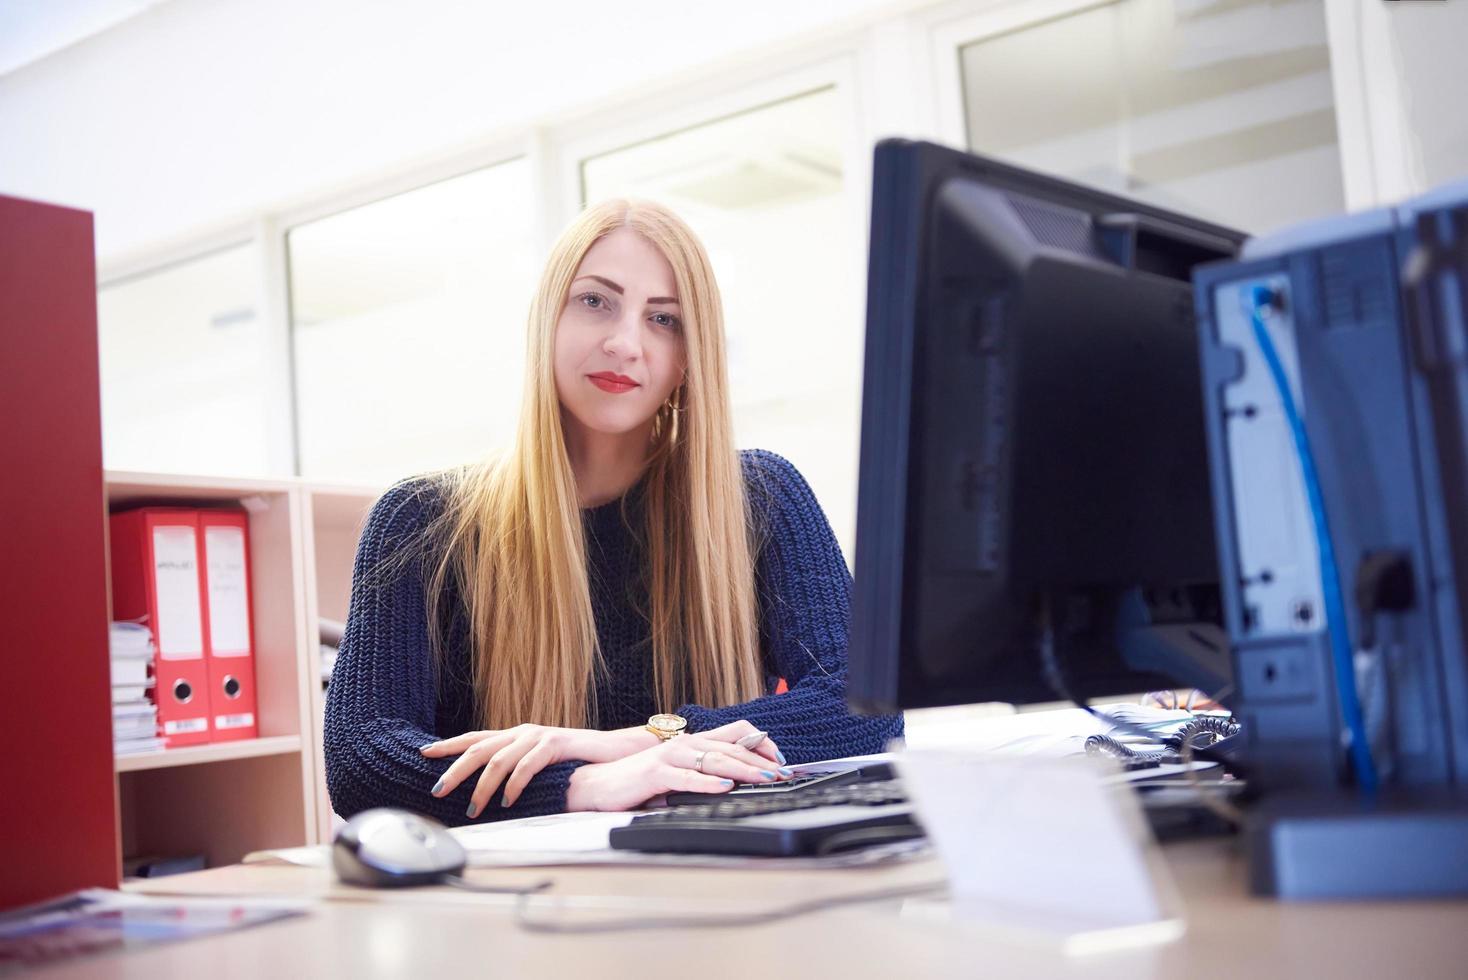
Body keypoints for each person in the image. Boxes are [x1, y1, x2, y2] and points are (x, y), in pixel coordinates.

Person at [324, 199, 903, 826]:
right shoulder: (422, 520)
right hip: (515, 901)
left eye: (664, 319)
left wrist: (640, 742)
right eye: (595, 301)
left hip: (713, 881)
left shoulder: (758, 495)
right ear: (546, 319)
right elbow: (362, 763)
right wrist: (584, 783)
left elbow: (867, 708)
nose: (625, 343)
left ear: (690, 358)